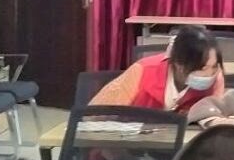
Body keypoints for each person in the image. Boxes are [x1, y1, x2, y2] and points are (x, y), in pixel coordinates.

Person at [91, 25, 223, 122]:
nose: (210, 74)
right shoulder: (143, 71)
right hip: (130, 142)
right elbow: (95, 114)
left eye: (214, 66)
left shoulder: (215, 79)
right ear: (179, 64)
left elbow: (212, 114)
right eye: (203, 68)